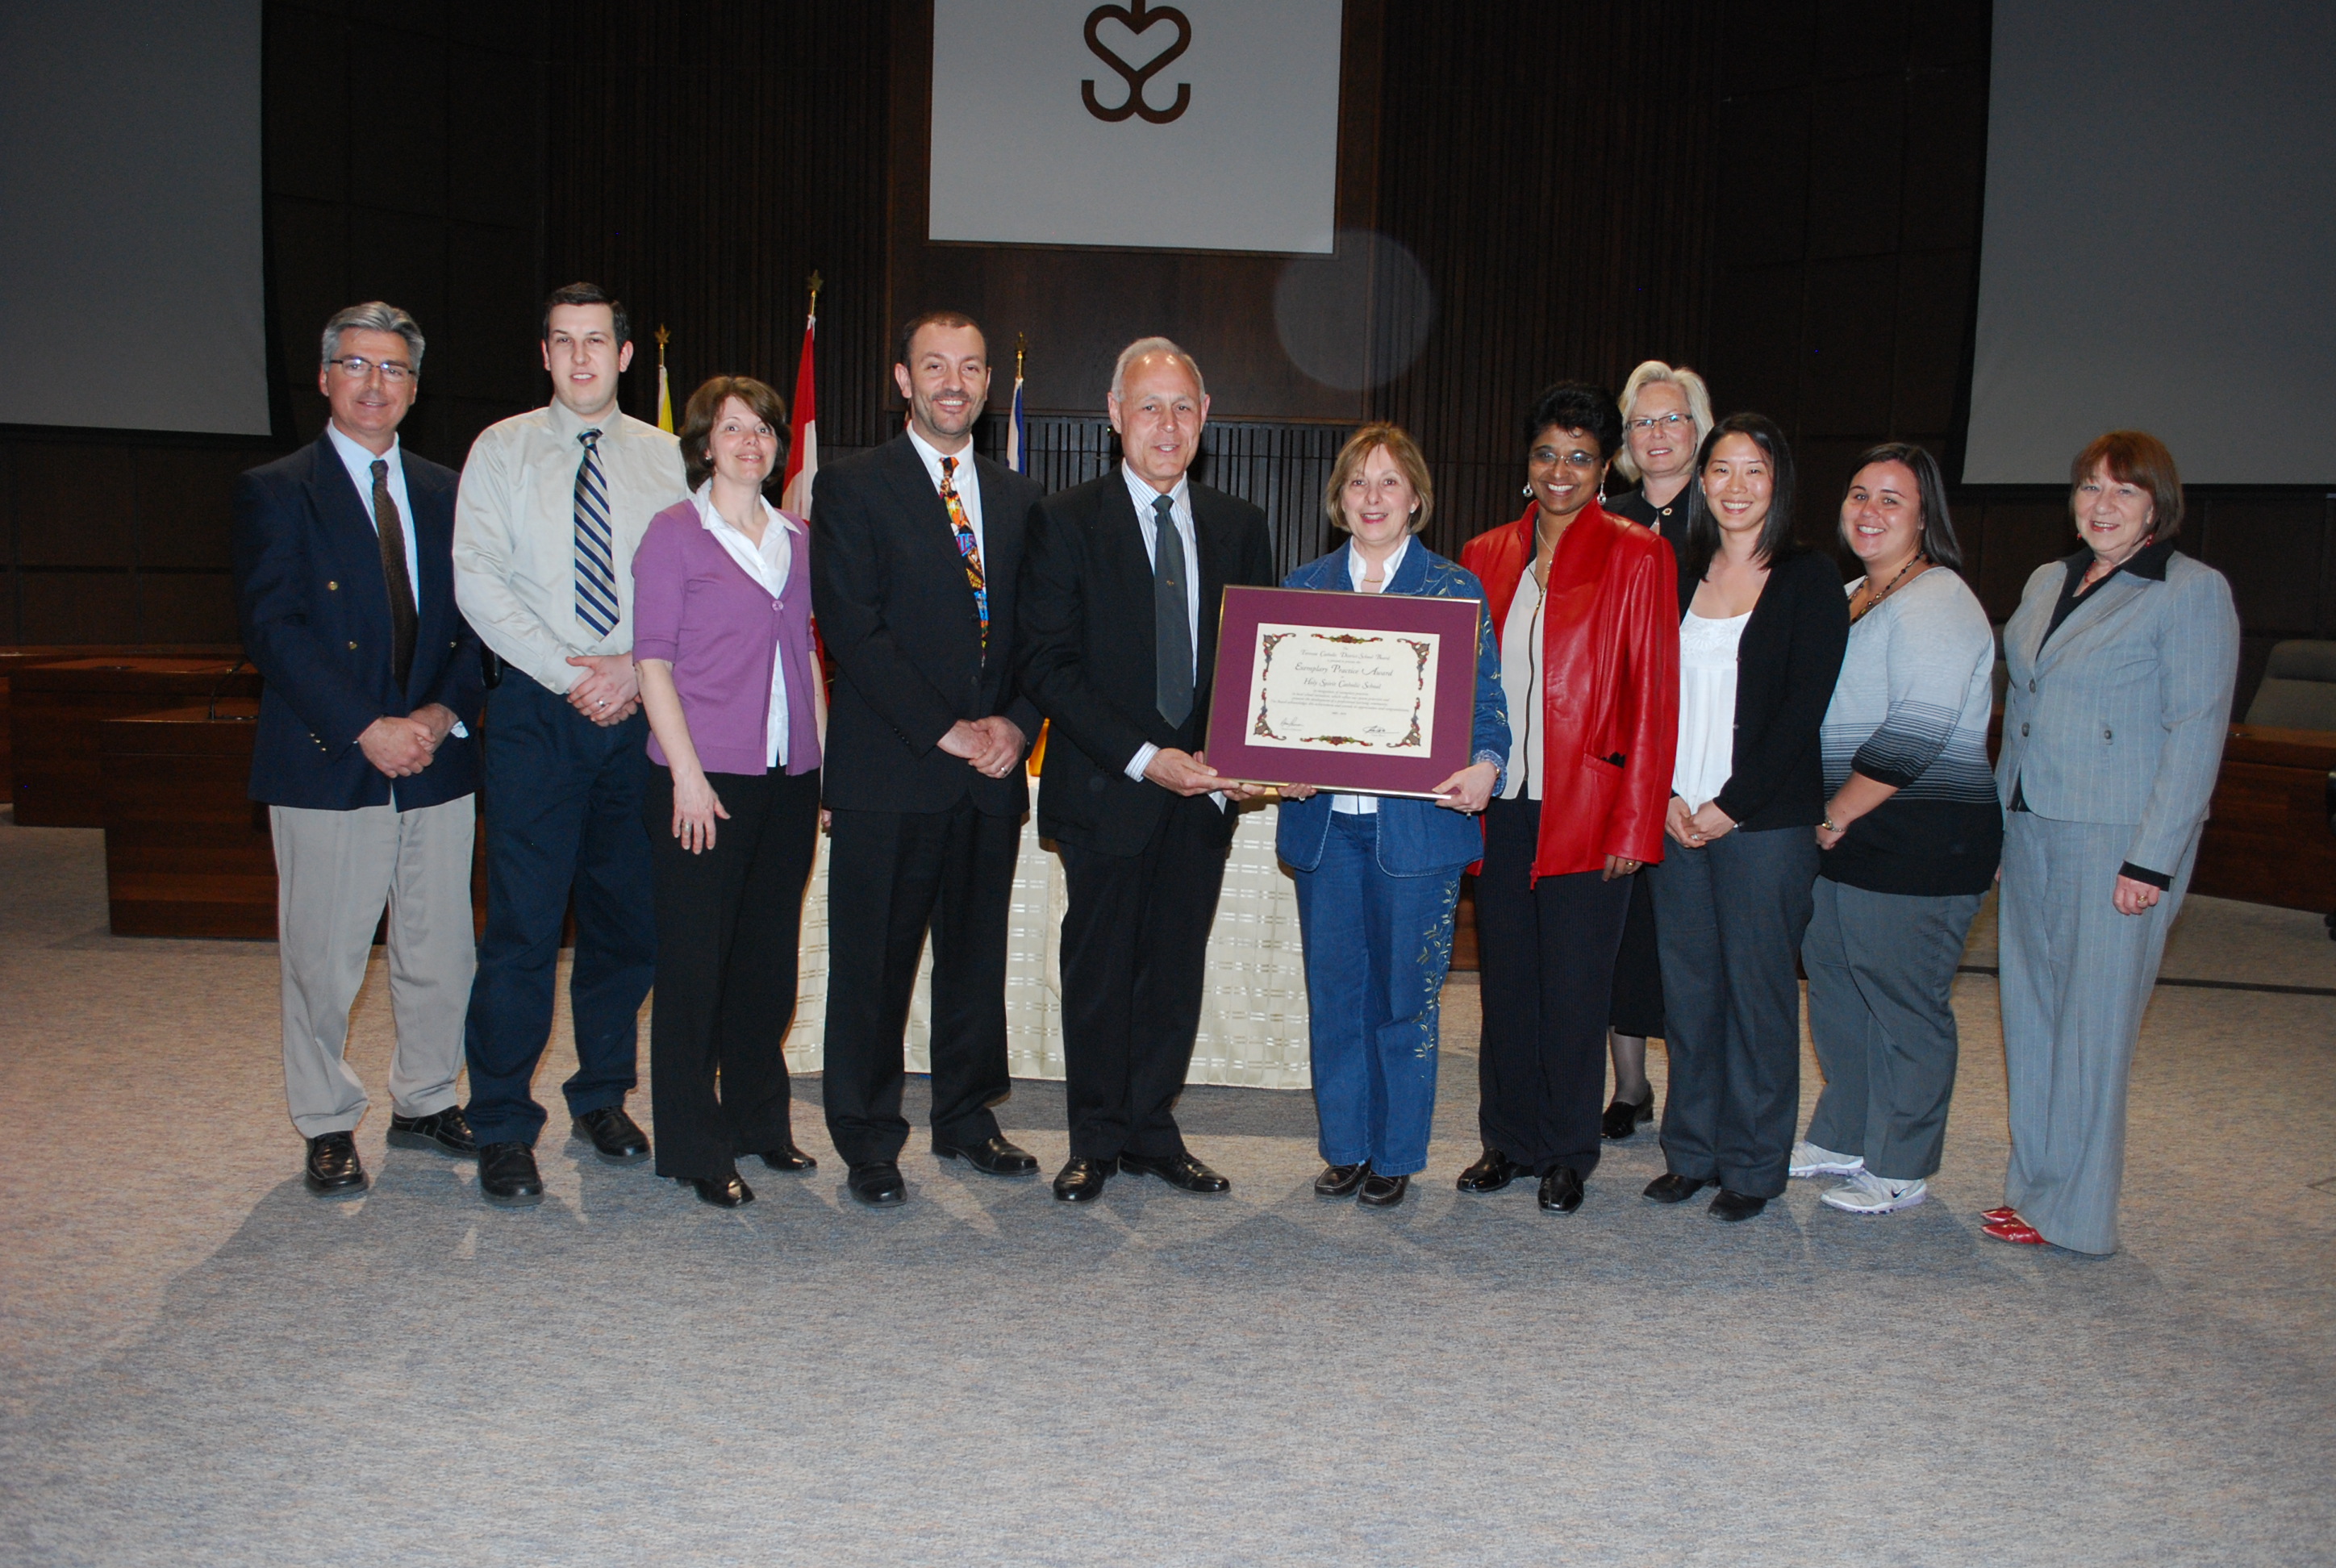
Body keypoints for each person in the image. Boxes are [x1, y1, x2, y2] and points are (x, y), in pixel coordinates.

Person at [1017, 337, 1277, 1203]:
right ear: (1113, 415)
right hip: (1106, 789)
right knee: (1098, 973)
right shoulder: (1062, 519)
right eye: (1148, 406)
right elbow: (1048, 666)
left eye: (1182, 408)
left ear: (1204, 421)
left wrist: (1234, 760)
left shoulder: (1241, 527)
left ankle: (1152, 1131)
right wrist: (1144, 757)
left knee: (1173, 970)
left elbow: (1256, 669)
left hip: (1201, 799)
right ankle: (1093, 1136)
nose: (1165, 424)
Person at [234, 302, 483, 1195]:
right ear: (325, 378)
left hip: (436, 761)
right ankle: (328, 1121)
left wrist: (432, 719)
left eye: (393, 369)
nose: (375, 383)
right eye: (357, 365)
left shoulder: (448, 490)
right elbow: (274, 629)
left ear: (414, 388)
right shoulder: (277, 489)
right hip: (327, 758)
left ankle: (423, 1100)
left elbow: (472, 626)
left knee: (439, 948)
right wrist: (368, 727)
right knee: (323, 955)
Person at [452, 282, 688, 1207]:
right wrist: (571, 673)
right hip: (538, 717)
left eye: (598, 342)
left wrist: (632, 668)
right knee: (521, 927)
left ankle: (601, 1096)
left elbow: (692, 582)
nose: (582, 358)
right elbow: (478, 580)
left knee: (626, 926)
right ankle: (503, 1121)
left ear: (626, 356)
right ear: (543, 355)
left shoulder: (670, 458)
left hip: (640, 710)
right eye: (564, 343)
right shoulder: (501, 450)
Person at [810, 312, 1046, 1209]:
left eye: (972, 367)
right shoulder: (851, 487)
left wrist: (1017, 726)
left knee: (975, 960)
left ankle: (967, 1117)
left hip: (990, 775)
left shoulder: (1021, 499)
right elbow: (853, 631)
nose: (955, 382)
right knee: (872, 965)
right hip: (893, 771)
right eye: (935, 366)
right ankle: (867, 1137)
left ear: (989, 383)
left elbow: (1037, 636)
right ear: (902, 380)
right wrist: (948, 729)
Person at [1988, 432, 2238, 1253]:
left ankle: (2079, 1216)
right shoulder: (2047, 579)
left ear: (2156, 507)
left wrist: (2152, 861)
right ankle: (2034, 1189)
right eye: (2090, 488)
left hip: (2115, 840)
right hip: (2029, 823)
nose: (2101, 505)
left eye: (2122, 492)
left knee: (2092, 1026)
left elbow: (2194, 735)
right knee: (2031, 1013)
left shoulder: (2188, 592)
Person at [1456, 383, 1678, 1215]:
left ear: (1605, 467)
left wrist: (1637, 819)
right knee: (1506, 984)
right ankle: (1506, 1143)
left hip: (1590, 809)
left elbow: (1655, 699)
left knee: (1576, 990)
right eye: (1547, 453)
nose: (1561, 471)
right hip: (1502, 808)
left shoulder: (1637, 553)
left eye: (1580, 457)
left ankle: (1565, 1152)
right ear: (1527, 463)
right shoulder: (1483, 555)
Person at [1274, 424, 1508, 1209]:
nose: (1372, 497)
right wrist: (1280, 762)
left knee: (1404, 998)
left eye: (1388, 483)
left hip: (1418, 829)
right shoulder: (1302, 588)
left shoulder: (1454, 589)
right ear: (1338, 500)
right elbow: (1274, 712)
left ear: (1415, 498)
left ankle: (1397, 1153)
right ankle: (1345, 1146)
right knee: (1336, 993)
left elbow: (1488, 705)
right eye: (1357, 483)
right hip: (1327, 828)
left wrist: (1486, 764)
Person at [1641, 413, 1847, 1222]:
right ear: (1700, 483)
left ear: (1778, 483)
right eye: (1720, 470)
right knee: (1688, 995)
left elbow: (1802, 710)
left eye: (1753, 471)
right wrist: (1660, 796)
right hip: (1675, 818)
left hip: (1760, 826)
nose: (1734, 487)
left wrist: (1730, 806)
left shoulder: (1807, 579)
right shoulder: (1673, 573)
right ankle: (1691, 1151)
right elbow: (1646, 697)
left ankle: (1755, 1168)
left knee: (1758, 997)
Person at [1790, 444, 2000, 1215]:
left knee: (1904, 1000)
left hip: (1920, 837)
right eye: (1857, 494)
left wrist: (1837, 811)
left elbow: (1918, 728)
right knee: (1841, 988)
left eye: (1891, 500)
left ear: (1924, 517)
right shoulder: (1849, 593)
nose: (1868, 512)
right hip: (1843, 835)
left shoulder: (1940, 598)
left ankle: (1903, 1162)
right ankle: (1846, 1133)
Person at [631, 376, 824, 1209]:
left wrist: (822, 764)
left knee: (765, 963)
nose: (751, 442)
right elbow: (652, 663)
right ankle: (691, 1144)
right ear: (704, 443)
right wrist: (684, 775)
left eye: (764, 430)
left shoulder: (799, 538)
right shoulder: (673, 536)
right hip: (701, 781)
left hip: (789, 779)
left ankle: (757, 1121)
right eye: (734, 428)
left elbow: (809, 654)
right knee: (695, 968)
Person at [1600, 361, 1716, 1139]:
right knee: (1622, 928)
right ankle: (1630, 1086)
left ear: (1700, 431)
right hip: (1620, 750)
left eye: (1673, 420)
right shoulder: (1605, 520)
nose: (1659, 434)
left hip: (1702, 751)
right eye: (1644, 422)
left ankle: (1699, 1096)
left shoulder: (1730, 517)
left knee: (1696, 938)